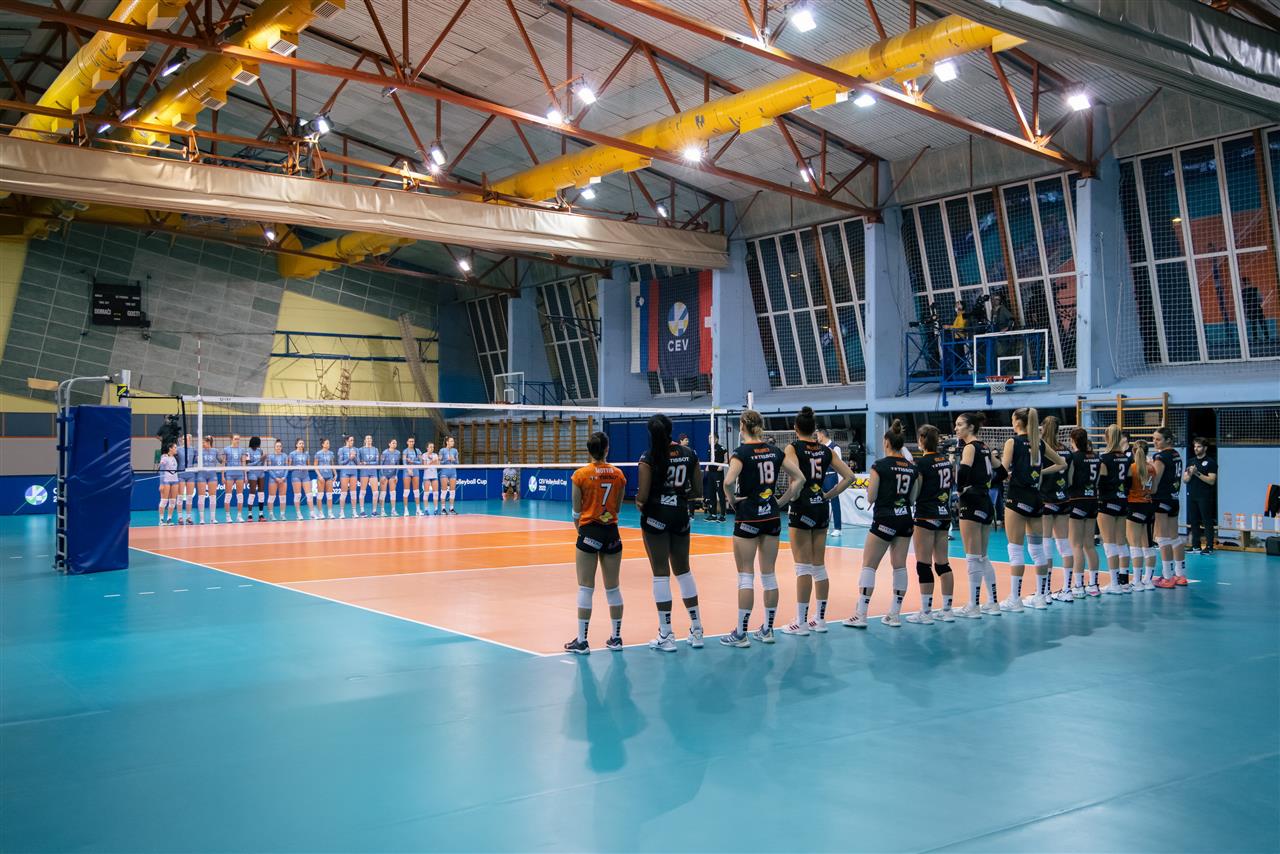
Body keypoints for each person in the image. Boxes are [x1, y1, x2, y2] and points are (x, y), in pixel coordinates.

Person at [721, 409, 801, 647]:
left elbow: (728, 481)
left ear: (742, 426)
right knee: (769, 575)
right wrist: (781, 502)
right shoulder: (775, 451)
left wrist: (732, 500)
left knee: (746, 575)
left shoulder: (741, 453)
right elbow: (800, 478)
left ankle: (741, 633)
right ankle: (767, 629)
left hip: (748, 516)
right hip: (771, 517)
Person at [781, 407, 855, 636]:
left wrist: (784, 500)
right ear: (814, 429)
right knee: (818, 566)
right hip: (821, 507)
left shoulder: (793, 448)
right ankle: (820, 620)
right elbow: (850, 477)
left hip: (801, 507)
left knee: (802, 567)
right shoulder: (826, 450)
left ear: (796, 428)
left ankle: (801, 622)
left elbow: (796, 480)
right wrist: (828, 495)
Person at [636, 414, 705, 652]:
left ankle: (666, 634)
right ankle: (697, 629)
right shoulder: (689, 454)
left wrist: (643, 503)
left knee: (660, 573)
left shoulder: (648, 457)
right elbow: (697, 490)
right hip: (680, 516)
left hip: (656, 516)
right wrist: (680, 497)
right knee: (684, 571)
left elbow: (642, 496)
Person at [843, 420, 917, 629]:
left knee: (869, 565)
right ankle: (894, 615)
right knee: (900, 566)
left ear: (886, 442)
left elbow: (871, 496)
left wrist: (873, 493)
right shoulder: (912, 468)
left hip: (885, 518)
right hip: (905, 518)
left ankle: (861, 614)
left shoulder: (880, 465)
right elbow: (912, 499)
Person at [565, 431, 628, 654]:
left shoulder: (580, 475)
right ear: (607, 449)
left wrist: (582, 532)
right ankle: (616, 638)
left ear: (589, 450)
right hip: (611, 532)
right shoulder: (618, 475)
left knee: (585, 587)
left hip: (589, 531)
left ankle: (582, 641)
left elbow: (576, 511)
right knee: (613, 588)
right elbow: (617, 508)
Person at [1001, 407, 1065, 612]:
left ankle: (1015, 599)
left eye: (1013, 420)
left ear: (1018, 422)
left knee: (1015, 550)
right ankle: (1040, 597)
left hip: (1017, 497)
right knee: (1037, 551)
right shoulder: (1039, 443)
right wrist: (1040, 472)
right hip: (1036, 498)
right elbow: (1062, 463)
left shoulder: (1013, 442)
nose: (1012, 423)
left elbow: (1002, 471)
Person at [953, 412, 1002, 619]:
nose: (956, 428)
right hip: (985, 501)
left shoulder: (970, 447)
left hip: (972, 502)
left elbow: (963, 471)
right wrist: (986, 485)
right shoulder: (985, 447)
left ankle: (973, 606)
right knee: (982, 556)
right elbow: (1003, 472)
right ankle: (993, 603)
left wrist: (960, 490)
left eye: (959, 425)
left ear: (971, 427)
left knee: (973, 557)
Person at [910, 424, 955, 624]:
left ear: (921, 439)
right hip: (944, 515)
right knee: (943, 563)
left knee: (923, 564)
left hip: (926, 515)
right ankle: (947, 610)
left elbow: (915, 493)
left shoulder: (922, 463)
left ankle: (926, 612)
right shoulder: (946, 461)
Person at [1065, 428, 1103, 597]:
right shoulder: (1096, 457)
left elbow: (1070, 480)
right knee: (1089, 545)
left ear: (1073, 440)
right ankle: (1093, 585)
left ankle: (1079, 586)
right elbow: (1098, 481)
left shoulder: (1074, 457)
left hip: (1077, 500)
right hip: (1092, 500)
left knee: (1076, 545)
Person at [1038, 416, 1072, 604]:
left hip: (1045, 499)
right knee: (1064, 544)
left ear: (1043, 428)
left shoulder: (1041, 449)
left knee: (1045, 545)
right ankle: (1067, 589)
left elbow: (1037, 476)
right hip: (1063, 499)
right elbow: (1071, 479)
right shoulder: (1066, 450)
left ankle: (1045, 592)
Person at [1151, 426, 1187, 588]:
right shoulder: (1176, 454)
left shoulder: (1160, 457)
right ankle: (1180, 575)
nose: (1154, 442)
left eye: (1158, 439)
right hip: (1174, 499)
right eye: (1153, 438)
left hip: (1161, 499)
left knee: (1162, 538)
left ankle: (1167, 577)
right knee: (1175, 537)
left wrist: (1147, 493)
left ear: (1168, 440)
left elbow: (1155, 482)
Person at [1097, 425, 1130, 595]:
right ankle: (1124, 581)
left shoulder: (1105, 458)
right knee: (1121, 542)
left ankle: (1115, 583)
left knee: (1109, 543)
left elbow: (1101, 482)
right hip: (1122, 500)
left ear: (1107, 438)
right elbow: (1129, 481)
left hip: (1107, 501)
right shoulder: (1126, 457)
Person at [1125, 440, 1158, 591]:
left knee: (1134, 545)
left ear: (1134, 452)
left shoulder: (1132, 468)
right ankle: (1148, 581)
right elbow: (1154, 490)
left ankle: (1137, 581)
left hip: (1134, 505)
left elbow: (1126, 487)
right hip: (1149, 506)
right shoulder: (1152, 468)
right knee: (1148, 545)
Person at [1184, 437, 1218, 555]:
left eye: (1199, 446)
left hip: (1205, 496)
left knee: (1207, 521)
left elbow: (1211, 480)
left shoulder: (1210, 462)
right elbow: (1185, 479)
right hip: (1192, 495)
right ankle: (1195, 545)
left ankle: (1209, 546)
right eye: (1195, 446)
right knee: (1193, 521)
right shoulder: (1190, 461)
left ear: (1205, 448)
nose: (1196, 449)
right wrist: (1190, 474)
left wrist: (1197, 473)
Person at [816, 427, 844, 537]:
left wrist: (838, 481)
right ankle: (825, 526)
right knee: (822, 502)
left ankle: (838, 528)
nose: (817, 437)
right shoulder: (819, 447)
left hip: (832, 477)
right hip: (821, 477)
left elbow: (839, 465)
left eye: (817, 435)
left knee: (835, 502)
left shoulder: (835, 447)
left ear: (822, 435)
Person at [219, 434, 246, 523]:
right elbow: (223, 463)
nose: (237, 440)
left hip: (239, 474)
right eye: (235, 439)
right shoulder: (226, 449)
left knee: (240, 495)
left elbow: (243, 463)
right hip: (229, 474)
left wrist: (245, 475)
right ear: (232, 439)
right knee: (228, 495)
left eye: (238, 439)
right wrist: (222, 476)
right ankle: (228, 516)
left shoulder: (242, 450)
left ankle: (239, 516)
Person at [288, 439, 314, 521]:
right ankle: (298, 514)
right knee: (298, 495)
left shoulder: (306, 454)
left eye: (303, 443)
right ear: (296, 445)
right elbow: (289, 467)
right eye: (300, 443)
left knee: (309, 495)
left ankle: (312, 513)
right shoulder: (292, 454)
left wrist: (306, 467)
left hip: (305, 475)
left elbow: (309, 465)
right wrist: (296, 467)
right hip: (296, 475)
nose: (302, 444)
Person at [703, 435, 727, 521]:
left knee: (720, 493)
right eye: (708, 438)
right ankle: (713, 514)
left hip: (718, 473)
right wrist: (707, 466)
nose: (709, 439)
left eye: (711, 438)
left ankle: (723, 515)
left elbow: (727, 458)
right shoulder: (709, 448)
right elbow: (709, 459)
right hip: (710, 473)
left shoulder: (721, 448)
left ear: (716, 439)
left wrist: (722, 465)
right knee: (711, 493)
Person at [198, 435, 221, 524]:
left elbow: (221, 461)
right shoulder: (200, 451)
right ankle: (201, 519)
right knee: (201, 497)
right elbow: (194, 460)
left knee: (213, 497)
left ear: (208, 442)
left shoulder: (215, 451)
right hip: (202, 474)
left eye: (204, 442)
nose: (203, 444)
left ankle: (213, 518)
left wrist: (224, 458)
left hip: (212, 475)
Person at [356, 435, 379, 517]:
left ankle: (374, 511)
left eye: (370, 438)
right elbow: (358, 462)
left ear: (372, 440)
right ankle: (362, 511)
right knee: (363, 491)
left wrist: (366, 463)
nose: (369, 439)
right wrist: (362, 463)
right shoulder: (360, 449)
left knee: (376, 492)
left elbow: (377, 462)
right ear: (365, 440)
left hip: (373, 471)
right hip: (364, 472)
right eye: (367, 438)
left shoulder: (375, 449)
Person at [178, 434, 199, 524]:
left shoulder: (194, 449)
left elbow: (197, 460)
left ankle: (188, 517)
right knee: (180, 496)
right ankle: (180, 517)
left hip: (191, 474)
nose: (184, 440)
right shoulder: (178, 449)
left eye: (186, 439)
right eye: (183, 439)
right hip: (181, 474)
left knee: (189, 497)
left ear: (190, 439)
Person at [266, 440, 289, 520]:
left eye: (280, 446)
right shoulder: (270, 456)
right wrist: (275, 478)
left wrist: (284, 477)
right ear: (274, 447)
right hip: (273, 479)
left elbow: (287, 468)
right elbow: (269, 468)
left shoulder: (285, 456)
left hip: (283, 479)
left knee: (283, 497)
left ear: (281, 447)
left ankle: (282, 515)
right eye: (277, 446)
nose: (278, 447)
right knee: (271, 497)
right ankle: (271, 514)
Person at [245, 436, 266, 522]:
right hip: (252, 473)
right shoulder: (248, 451)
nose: (259, 445)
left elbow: (262, 463)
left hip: (261, 472)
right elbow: (247, 464)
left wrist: (263, 460)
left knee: (261, 493)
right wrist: (259, 460)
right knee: (252, 492)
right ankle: (250, 515)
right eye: (258, 443)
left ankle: (261, 514)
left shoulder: (260, 450)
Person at [314, 438, 336, 520]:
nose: (328, 444)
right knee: (320, 495)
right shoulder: (318, 454)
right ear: (323, 444)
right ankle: (320, 513)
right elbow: (315, 466)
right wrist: (319, 476)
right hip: (321, 477)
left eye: (329, 443)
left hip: (329, 476)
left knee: (329, 496)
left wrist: (335, 474)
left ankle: (330, 513)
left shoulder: (331, 453)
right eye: (327, 443)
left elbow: (332, 465)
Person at [378, 439, 401, 518]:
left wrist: (396, 475)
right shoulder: (384, 453)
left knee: (393, 492)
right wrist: (382, 475)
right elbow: (381, 464)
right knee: (383, 493)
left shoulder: (398, 453)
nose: (394, 444)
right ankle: (382, 511)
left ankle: (393, 510)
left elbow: (397, 465)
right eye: (393, 443)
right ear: (389, 444)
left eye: (395, 443)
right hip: (384, 474)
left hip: (392, 475)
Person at [337, 435, 358, 519]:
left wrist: (354, 457)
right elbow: (340, 463)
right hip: (344, 472)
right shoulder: (341, 450)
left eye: (353, 440)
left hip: (354, 472)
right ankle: (341, 512)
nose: (352, 442)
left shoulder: (356, 449)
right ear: (346, 441)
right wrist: (349, 458)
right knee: (344, 492)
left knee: (353, 493)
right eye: (350, 440)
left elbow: (358, 463)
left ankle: (354, 511)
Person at [158, 442, 179, 525]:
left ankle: (169, 519)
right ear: (170, 448)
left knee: (173, 501)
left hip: (175, 480)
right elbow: (161, 471)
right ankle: (161, 520)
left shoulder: (175, 458)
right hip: (166, 480)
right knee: (164, 500)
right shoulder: (164, 457)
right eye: (175, 447)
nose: (176, 449)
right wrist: (161, 483)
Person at [402, 436, 423, 517]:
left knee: (416, 491)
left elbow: (420, 462)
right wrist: (408, 469)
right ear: (407, 442)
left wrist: (412, 461)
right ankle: (406, 510)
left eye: (412, 441)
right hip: (407, 471)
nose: (411, 443)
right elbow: (404, 462)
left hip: (415, 471)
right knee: (406, 491)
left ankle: (418, 509)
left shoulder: (417, 451)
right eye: (410, 441)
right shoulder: (405, 451)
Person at [439, 436, 460, 514]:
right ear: (447, 442)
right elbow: (439, 462)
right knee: (444, 491)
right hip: (444, 472)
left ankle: (451, 508)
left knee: (452, 491)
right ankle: (443, 509)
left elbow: (457, 463)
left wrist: (453, 460)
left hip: (453, 472)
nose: (453, 442)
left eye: (453, 441)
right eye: (451, 441)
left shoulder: (455, 451)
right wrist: (446, 460)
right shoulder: (442, 450)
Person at [423, 442, 440, 515]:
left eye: (433, 447)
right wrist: (432, 462)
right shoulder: (424, 455)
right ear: (427, 448)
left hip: (434, 476)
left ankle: (436, 509)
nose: (432, 448)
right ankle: (426, 510)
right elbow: (424, 467)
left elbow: (438, 466)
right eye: (430, 447)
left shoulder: (435, 455)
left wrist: (437, 461)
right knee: (426, 493)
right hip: (427, 476)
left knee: (435, 493)